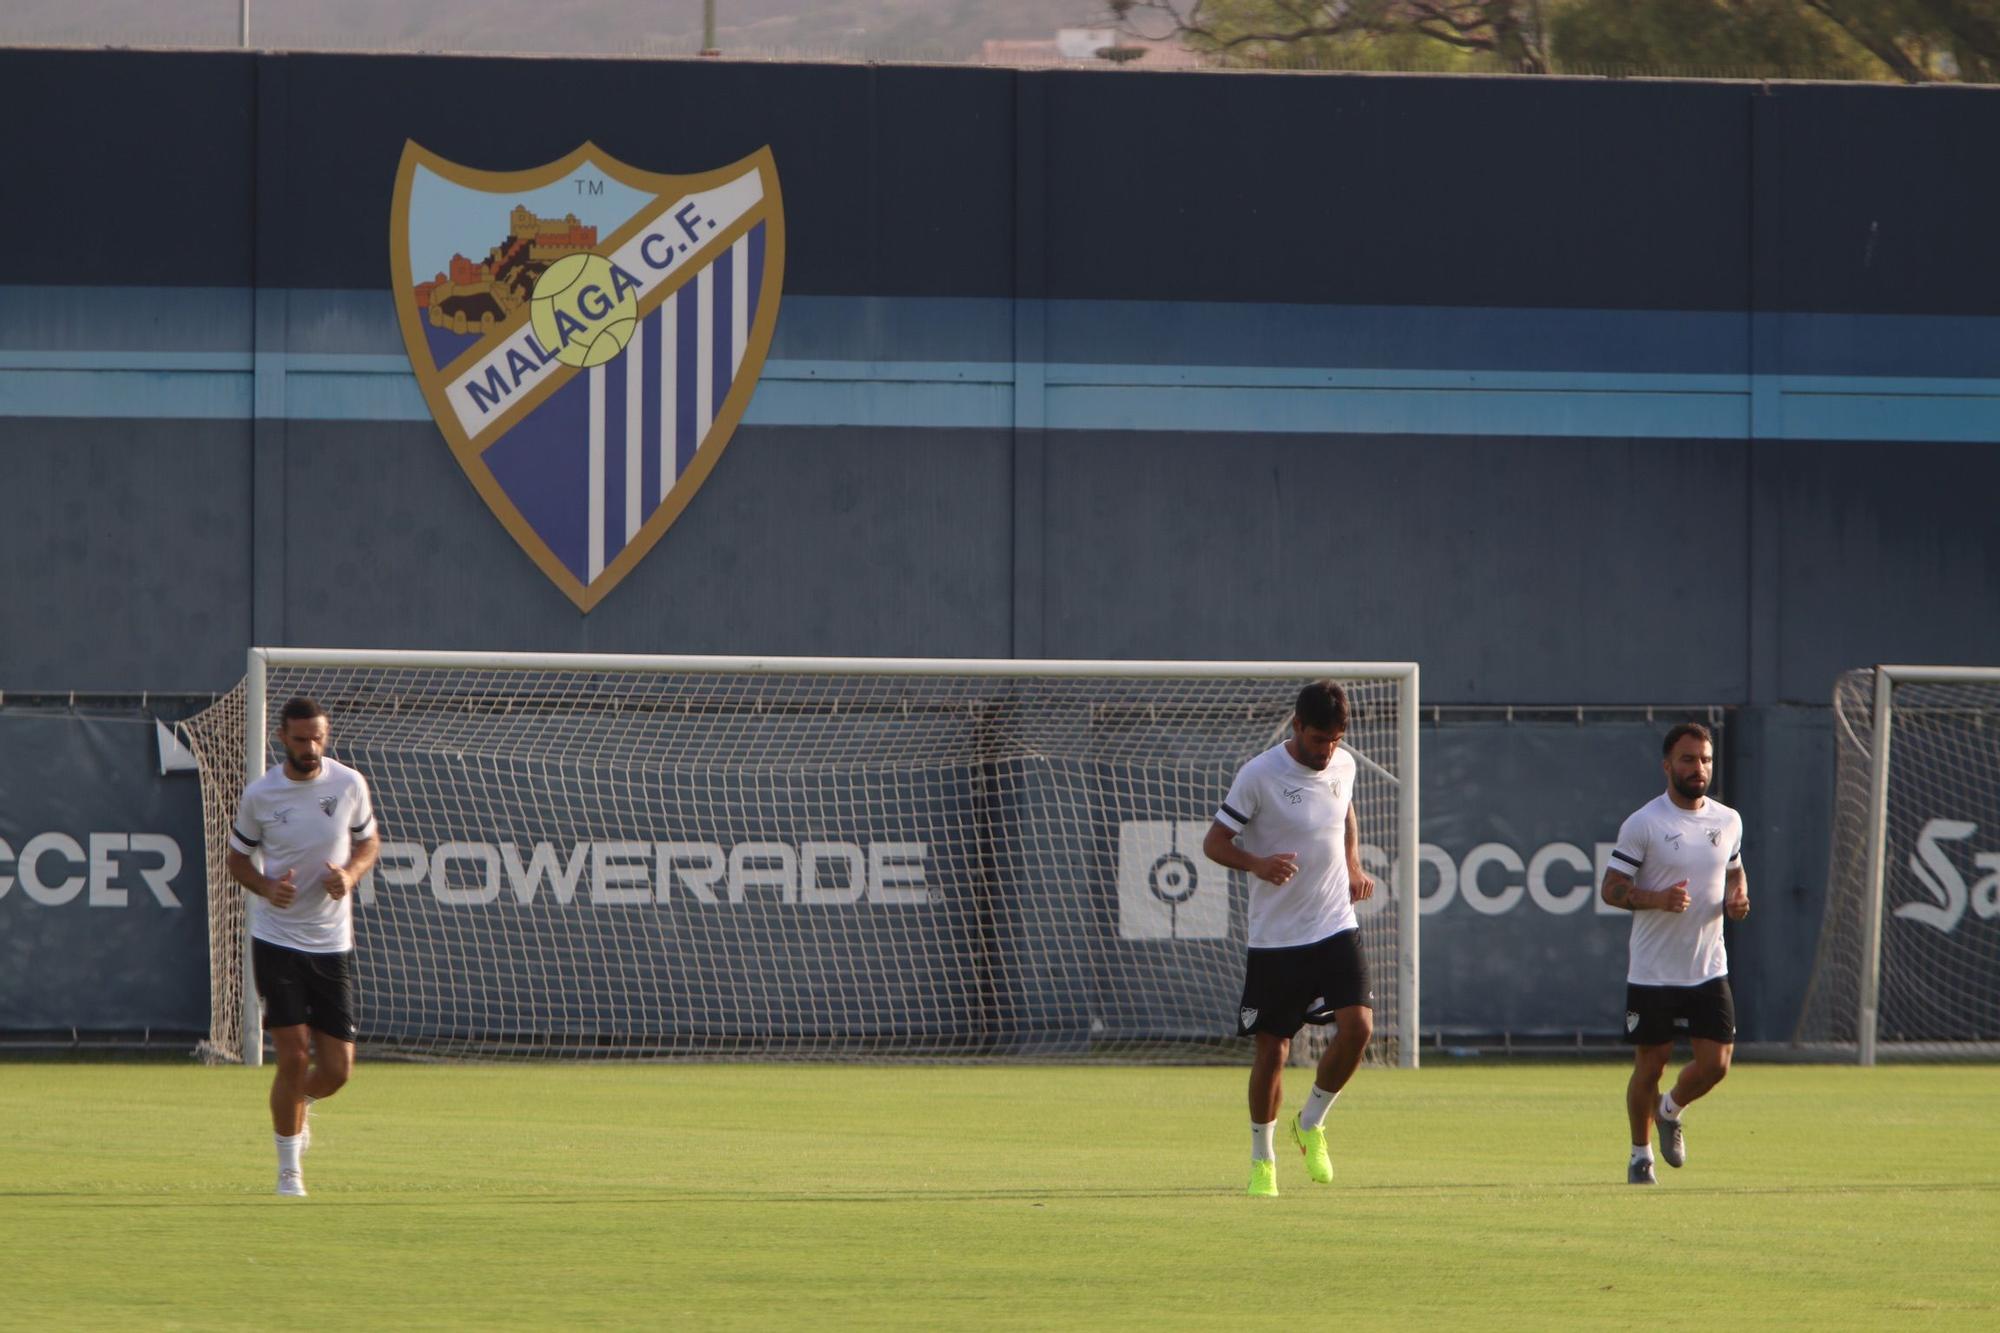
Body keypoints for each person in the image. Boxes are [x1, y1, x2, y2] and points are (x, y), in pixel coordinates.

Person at [1203, 679, 1375, 1198]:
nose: (1328, 750)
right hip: (1277, 939)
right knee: (1273, 1052)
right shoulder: (1258, 775)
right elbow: (1214, 841)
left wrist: (1352, 863)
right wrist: (1257, 863)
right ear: (1297, 726)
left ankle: (1313, 1121)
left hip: (1334, 924)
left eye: (1336, 739)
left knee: (1359, 1028)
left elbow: (1343, 811)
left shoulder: (1343, 765)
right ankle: (1263, 1159)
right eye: (1320, 738)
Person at [225, 696, 380, 1197]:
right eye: (300, 738)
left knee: (336, 1070)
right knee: (292, 1058)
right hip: (278, 940)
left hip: (332, 942)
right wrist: (268, 887)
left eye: (318, 737)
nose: (311, 747)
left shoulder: (349, 783)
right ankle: (289, 1170)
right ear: (281, 738)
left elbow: (368, 843)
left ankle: (298, 1103)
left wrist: (350, 875)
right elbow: (238, 860)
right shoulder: (262, 795)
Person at [1600, 721, 1749, 1185]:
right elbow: (1610, 890)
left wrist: (1739, 899)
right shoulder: (1645, 823)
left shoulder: (1728, 820)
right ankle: (1639, 1155)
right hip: (1654, 970)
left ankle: (1670, 1110)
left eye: (1705, 759)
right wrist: (1655, 898)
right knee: (1651, 1064)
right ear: (1667, 765)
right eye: (1687, 759)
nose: (1698, 767)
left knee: (1716, 1065)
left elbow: (1735, 872)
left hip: (1708, 966)